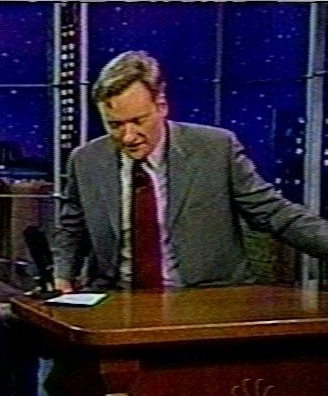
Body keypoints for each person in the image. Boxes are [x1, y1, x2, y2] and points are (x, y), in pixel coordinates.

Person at [53, 50, 328, 293]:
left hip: (207, 298)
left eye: (138, 121)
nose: (128, 136)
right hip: (119, 299)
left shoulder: (215, 148)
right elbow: (72, 229)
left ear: (161, 106)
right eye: (115, 125)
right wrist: (62, 276)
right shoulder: (86, 161)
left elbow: (274, 213)